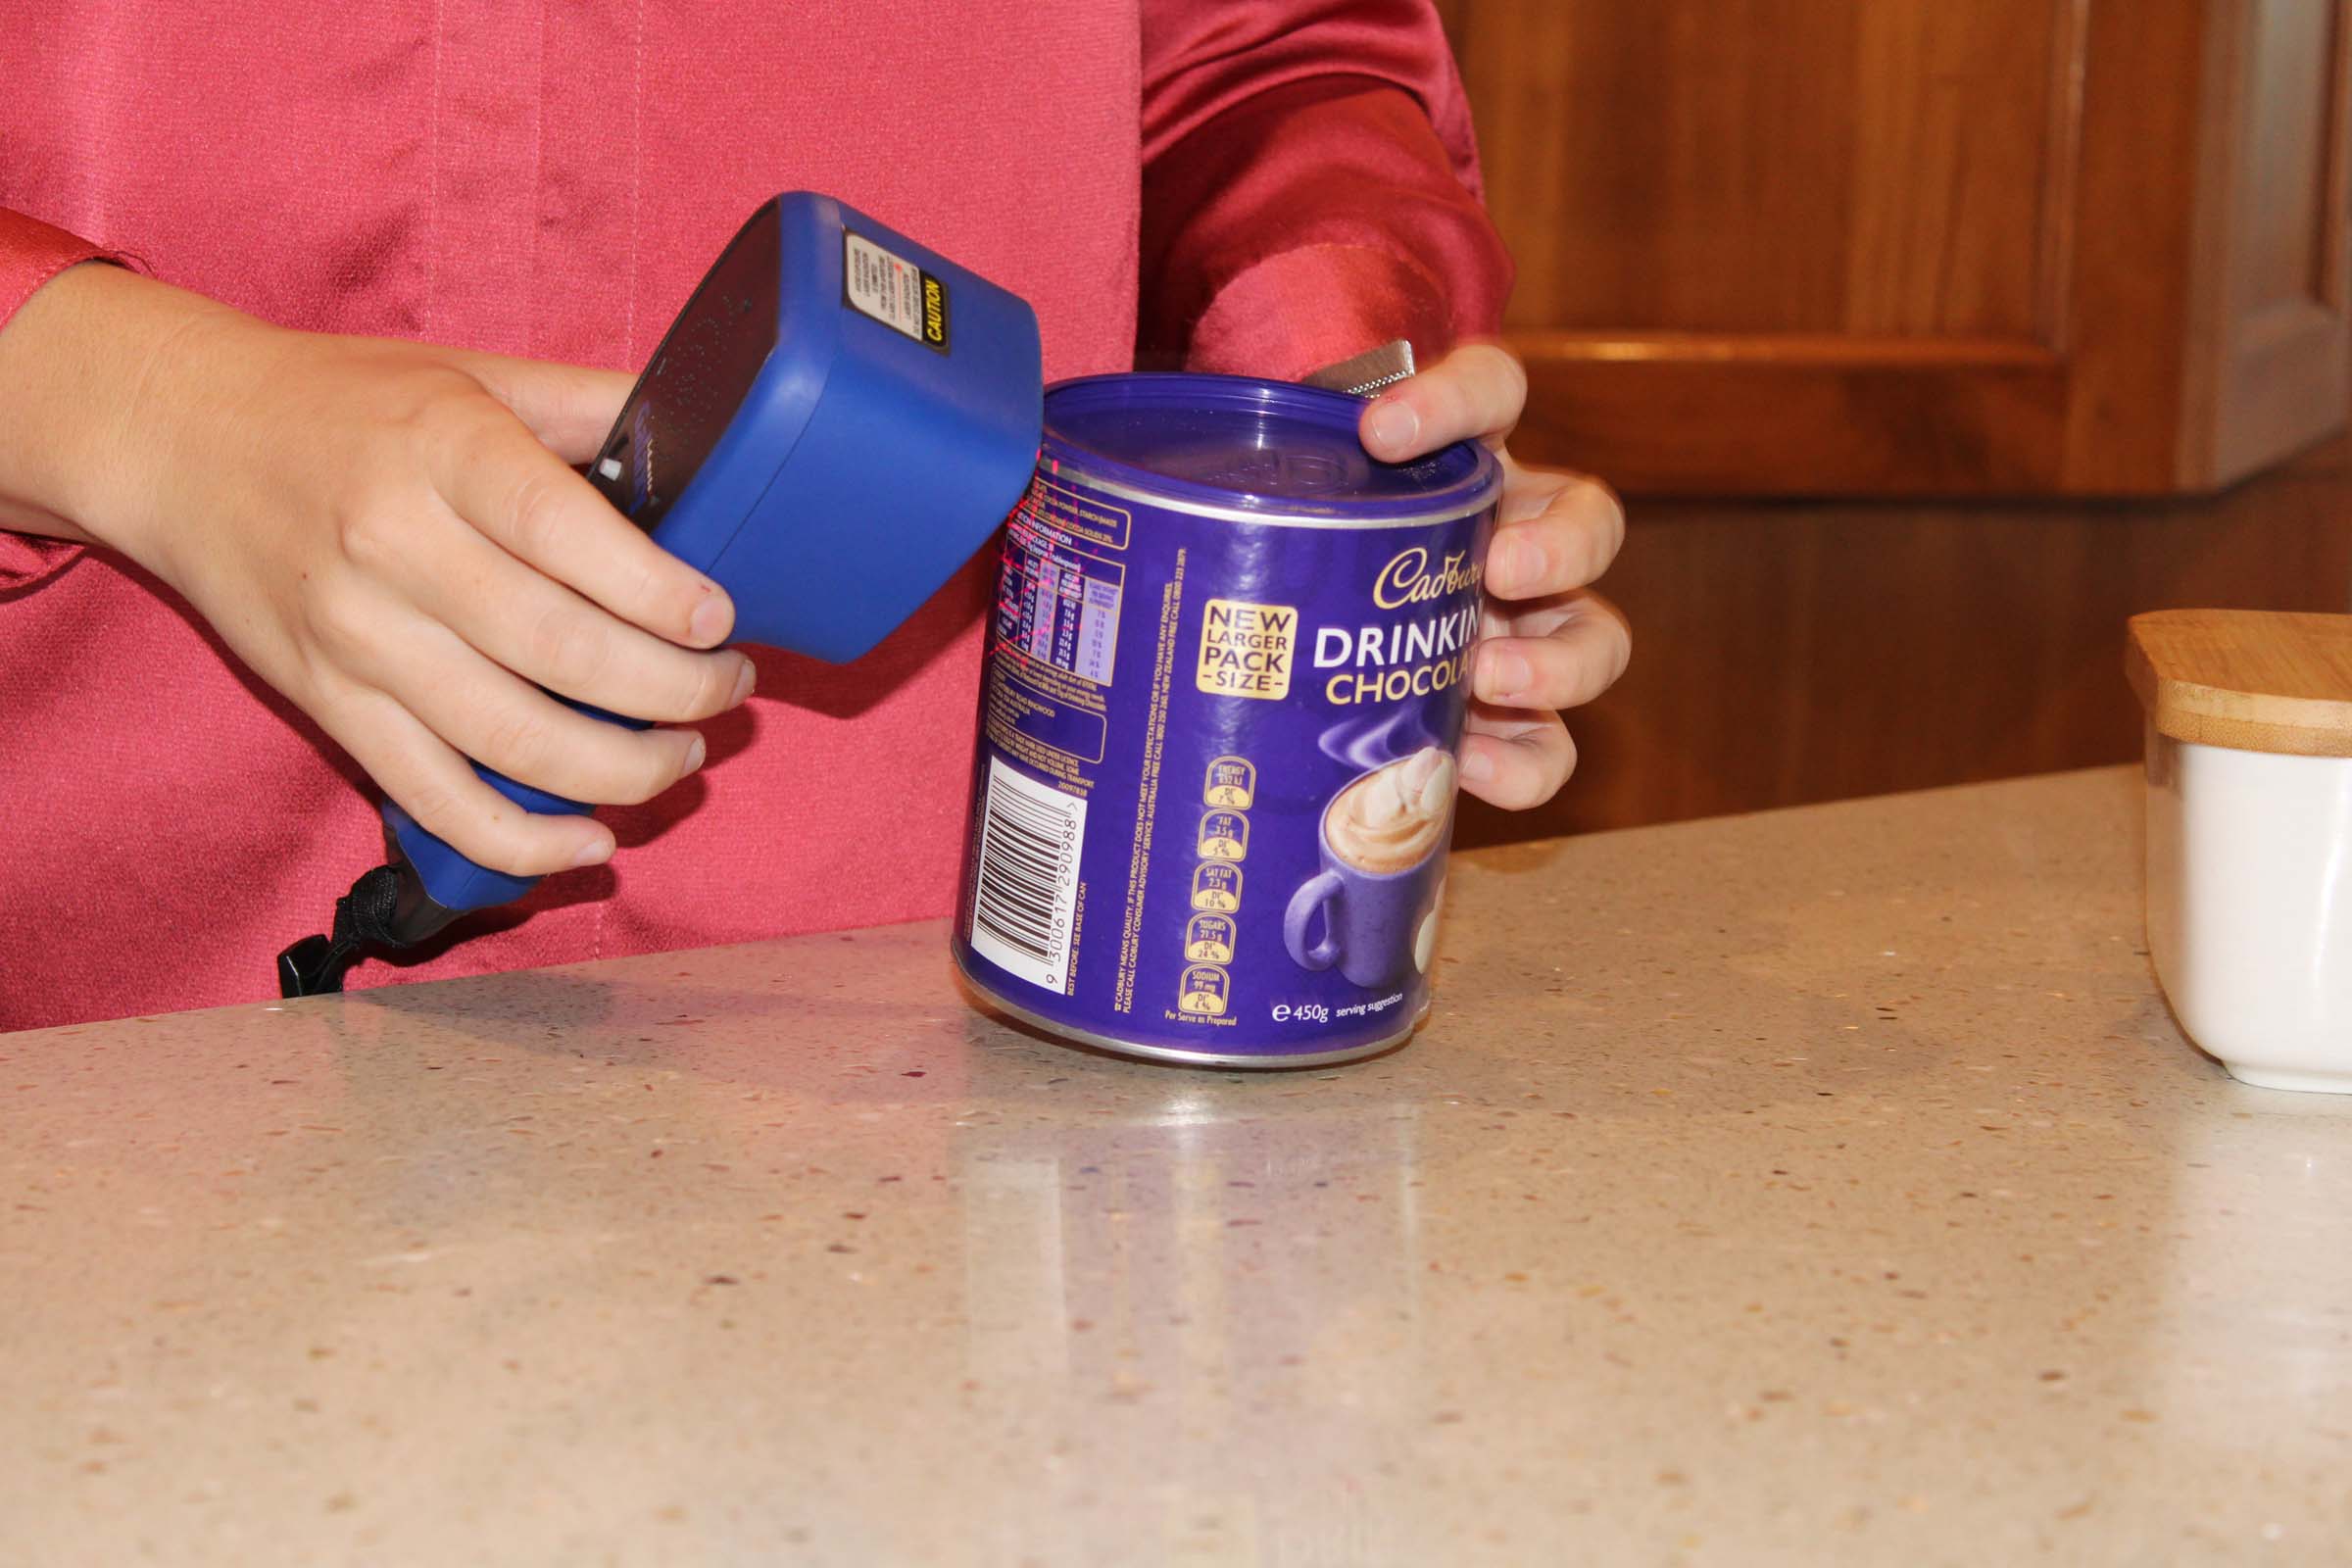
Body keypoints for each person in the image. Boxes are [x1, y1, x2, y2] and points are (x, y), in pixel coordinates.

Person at [0, 1, 1629, 1032]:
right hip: (101, 983)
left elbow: (1262, 53)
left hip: (917, 1006)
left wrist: (1327, 453)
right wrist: (142, 413)